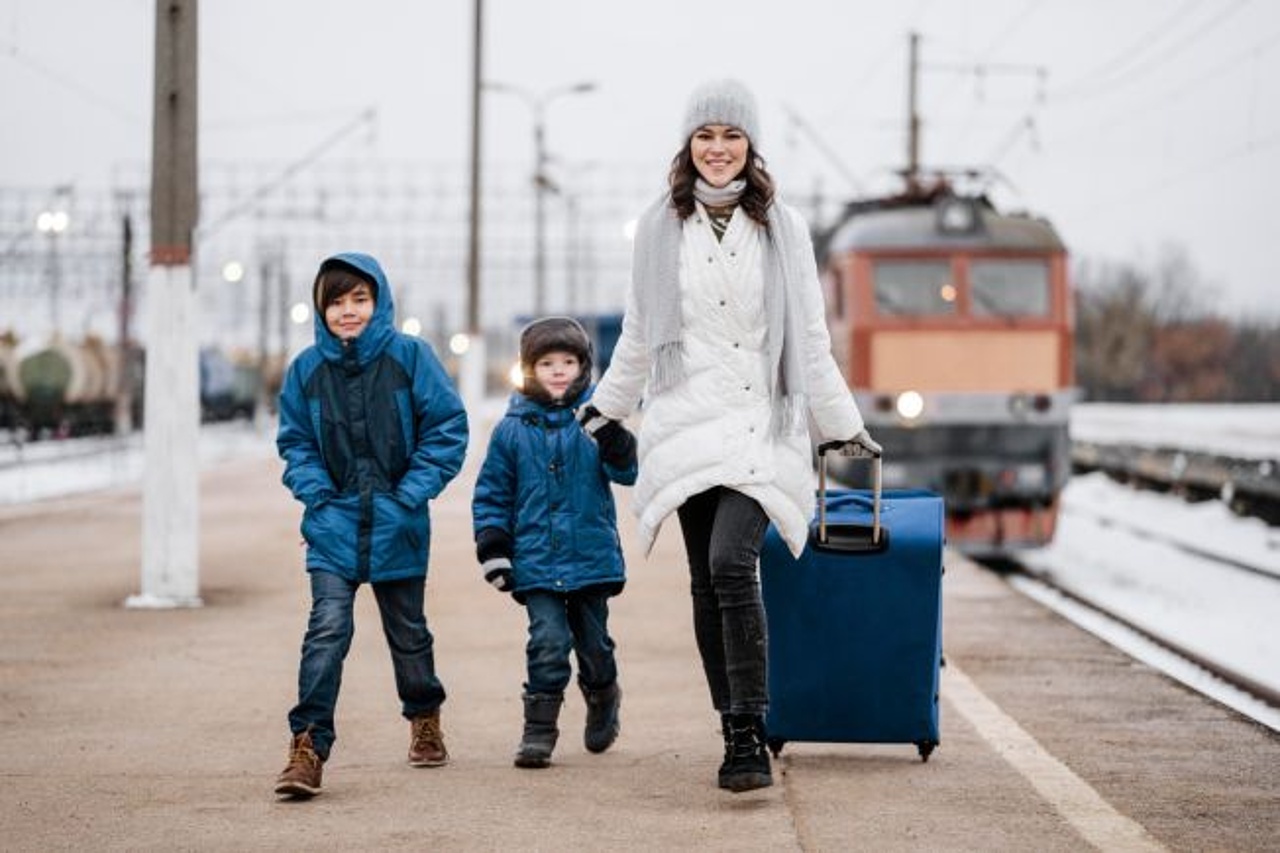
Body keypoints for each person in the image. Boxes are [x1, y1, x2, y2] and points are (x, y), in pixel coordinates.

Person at [580, 79, 880, 793]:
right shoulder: (659, 229)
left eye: (732, 135)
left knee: (729, 563)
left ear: (751, 145)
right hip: (684, 424)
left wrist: (845, 430)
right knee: (703, 583)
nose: (718, 149)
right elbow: (641, 335)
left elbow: (809, 339)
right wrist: (605, 408)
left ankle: (750, 730)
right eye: (706, 135)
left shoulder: (784, 228)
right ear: (688, 144)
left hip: (757, 427)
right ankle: (730, 730)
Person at [273, 251, 468, 799]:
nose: (348, 311)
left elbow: (447, 428)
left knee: (408, 635)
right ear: (320, 309)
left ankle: (424, 717)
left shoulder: (411, 357)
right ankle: (307, 747)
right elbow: (295, 442)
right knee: (327, 630)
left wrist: (408, 495)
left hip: (397, 523)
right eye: (336, 301)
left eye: (359, 299)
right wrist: (317, 495)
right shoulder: (306, 371)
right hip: (333, 526)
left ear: (379, 302)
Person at [472, 316, 637, 769]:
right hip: (536, 560)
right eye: (547, 363)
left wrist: (614, 439)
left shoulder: (597, 421)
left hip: (590, 556)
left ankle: (603, 695)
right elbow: (492, 493)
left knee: (593, 645)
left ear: (584, 367)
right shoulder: (510, 430)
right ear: (529, 369)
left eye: (568, 361)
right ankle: (538, 731)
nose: (558, 370)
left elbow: (628, 472)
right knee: (546, 641)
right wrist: (493, 547)